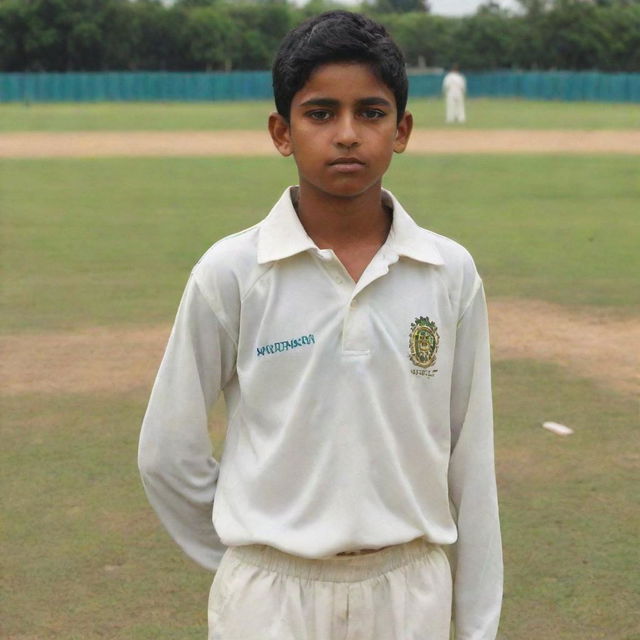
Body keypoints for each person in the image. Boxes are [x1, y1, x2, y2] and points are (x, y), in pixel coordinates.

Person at [138, 10, 502, 640]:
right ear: (282, 131)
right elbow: (168, 453)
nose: (346, 134)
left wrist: (475, 625)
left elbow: (471, 466)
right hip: (269, 598)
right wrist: (251, 557)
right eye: (320, 113)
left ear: (402, 129)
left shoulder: (448, 273)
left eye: (370, 112)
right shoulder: (233, 271)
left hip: (410, 588)